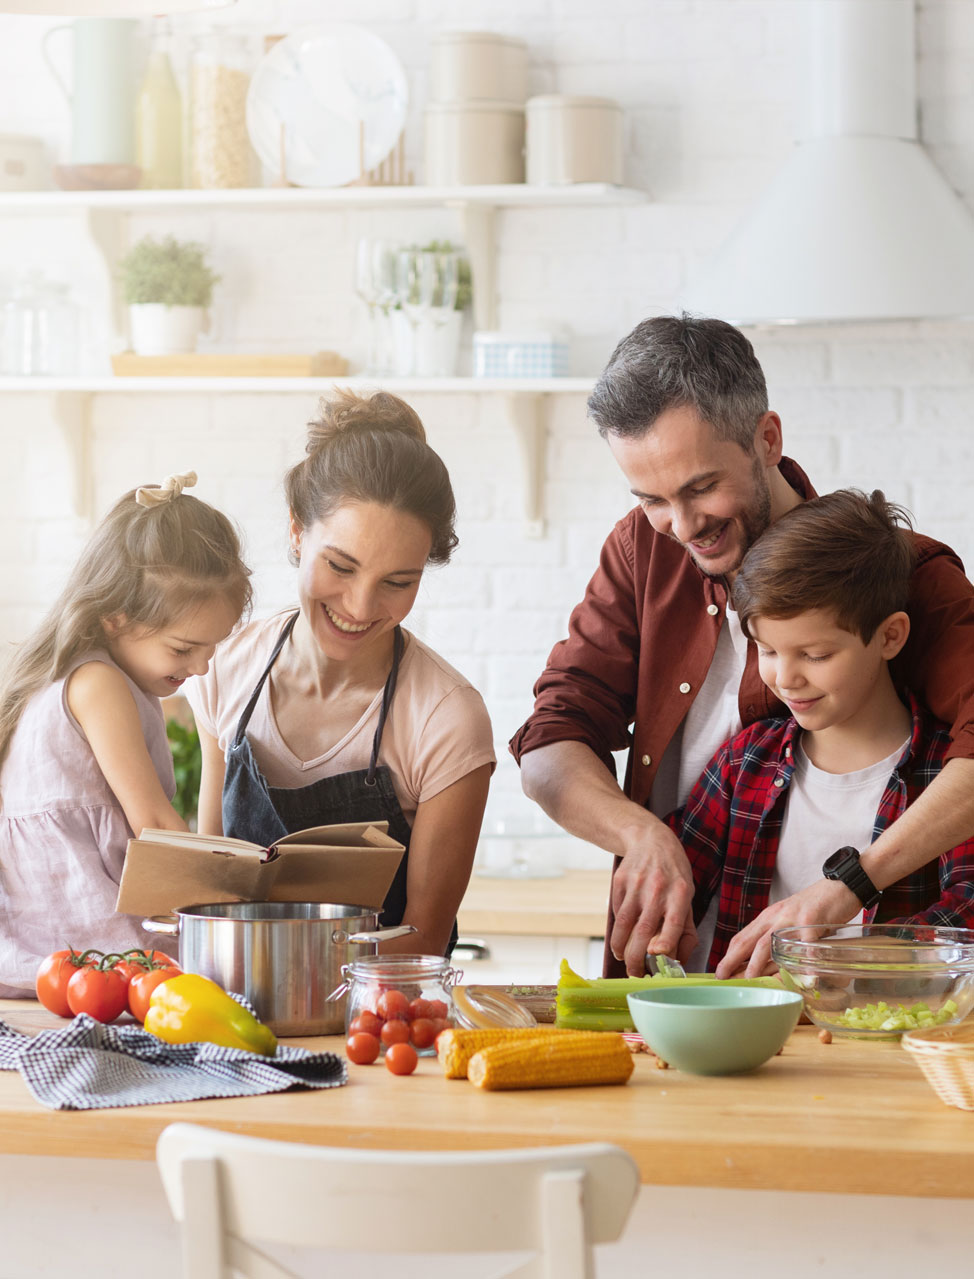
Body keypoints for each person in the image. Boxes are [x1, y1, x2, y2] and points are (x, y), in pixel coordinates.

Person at [510, 314, 974, 978]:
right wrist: (640, 834)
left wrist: (852, 887)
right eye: (652, 498)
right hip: (683, 989)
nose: (682, 524)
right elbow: (551, 740)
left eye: (701, 487)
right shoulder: (644, 547)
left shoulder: (904, 576)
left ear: (767, 438)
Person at [188, 389, 495, 958]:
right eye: (340, 565)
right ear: (298, 532)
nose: (359, 606)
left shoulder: (446, 717)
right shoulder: (223, 668)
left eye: (397, 582)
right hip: (235, 1008)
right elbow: (212, 889)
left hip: (377, 1019)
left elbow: (423, 941)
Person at [670, 489, 974, 971]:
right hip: (746, 1040)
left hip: (887, 1041)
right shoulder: (745, 760)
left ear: (890, 636)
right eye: (767, 650)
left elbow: (966, 920)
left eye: (815, 655)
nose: (786, 678)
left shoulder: (945, 778)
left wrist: (828, 960)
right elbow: (677, 881)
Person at [0, 471, 251, 996]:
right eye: (184, 649)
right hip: (85, 946)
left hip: (56, 951)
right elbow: (155, 824)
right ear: (115, 618)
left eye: (213, 647)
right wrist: (239, 893)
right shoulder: (99, 685)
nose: (202, 667)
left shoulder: (97, 678)